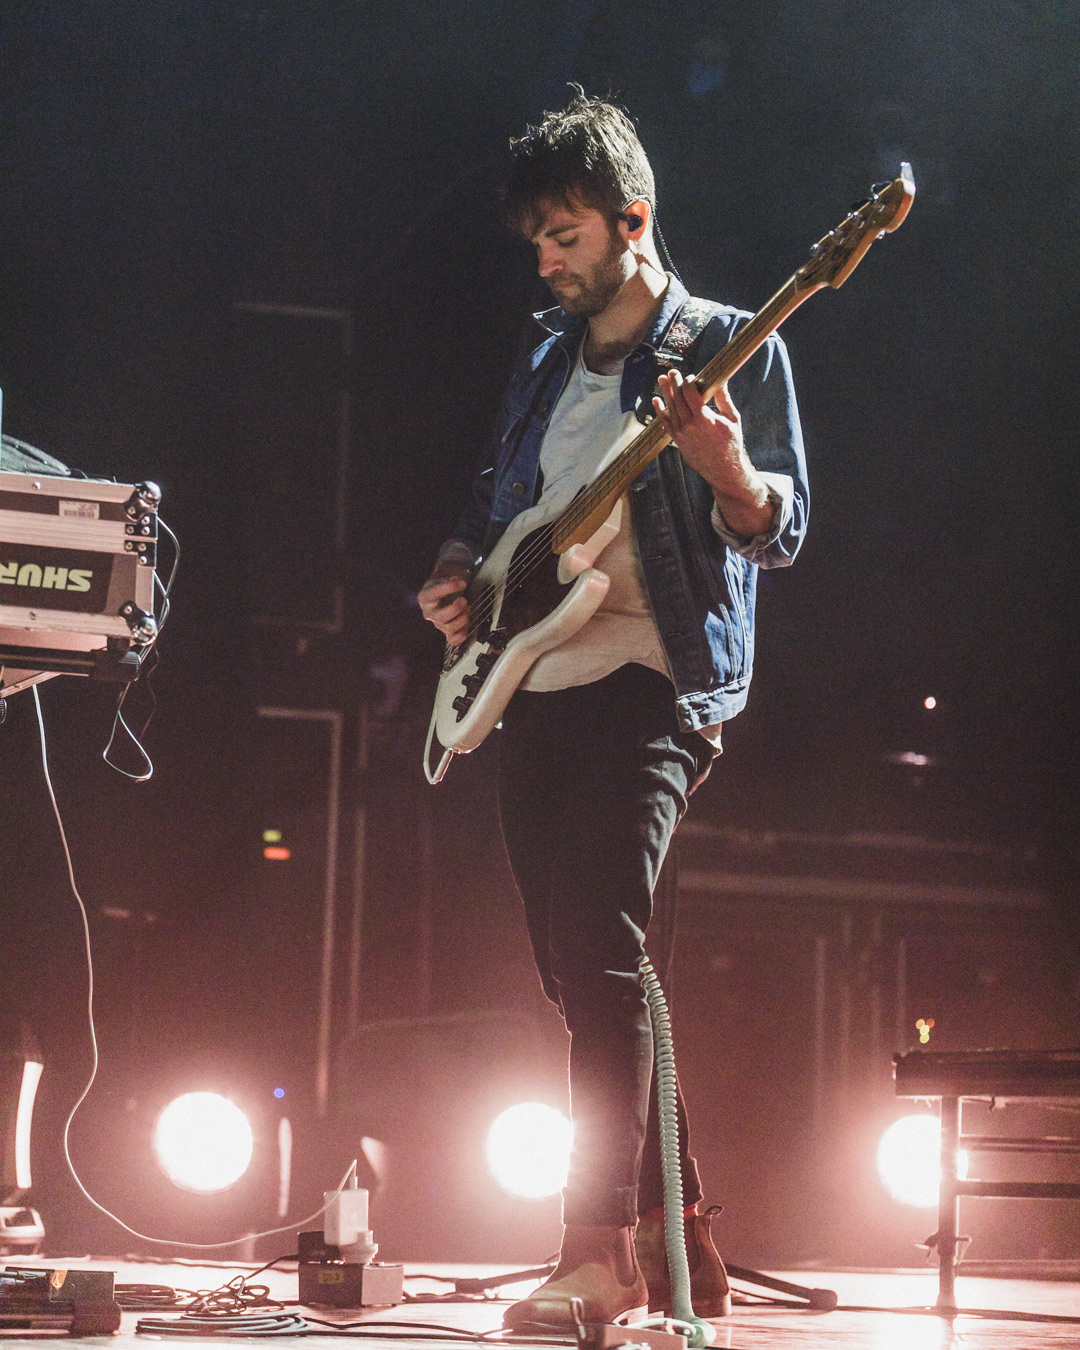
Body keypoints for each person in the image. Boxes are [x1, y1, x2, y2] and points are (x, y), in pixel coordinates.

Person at [418, 91, 809, 1332]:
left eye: (568, 235)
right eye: (536, 241)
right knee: (580, 966)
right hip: (533, 676)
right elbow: (499, 503)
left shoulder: (733, 343)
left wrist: (725, 469)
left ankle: (596, 1250)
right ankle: (678, 1225)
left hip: (658, 681)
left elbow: (777, 529)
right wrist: (456, 580)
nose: (547, 261)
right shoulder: (543, 355)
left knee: (597, 940)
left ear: (634, 218)